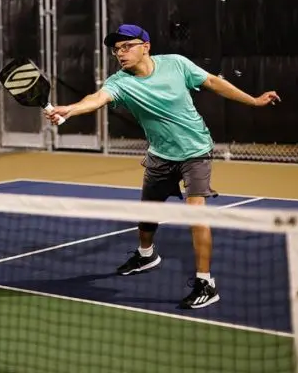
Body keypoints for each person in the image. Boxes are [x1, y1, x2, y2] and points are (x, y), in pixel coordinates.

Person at [45, 24, 280, 309]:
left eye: (126, 46)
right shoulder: (119, 82)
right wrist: (69, 109)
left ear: (146, 46)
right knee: (147, 214)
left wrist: (254, 101)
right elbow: (96, 99)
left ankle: (206, 282)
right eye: (116, 49)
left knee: (196, 214)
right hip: (159, 155)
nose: (120, 53)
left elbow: (214, 83)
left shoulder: (177, 65)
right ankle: (146, 255)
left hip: (195, 151)